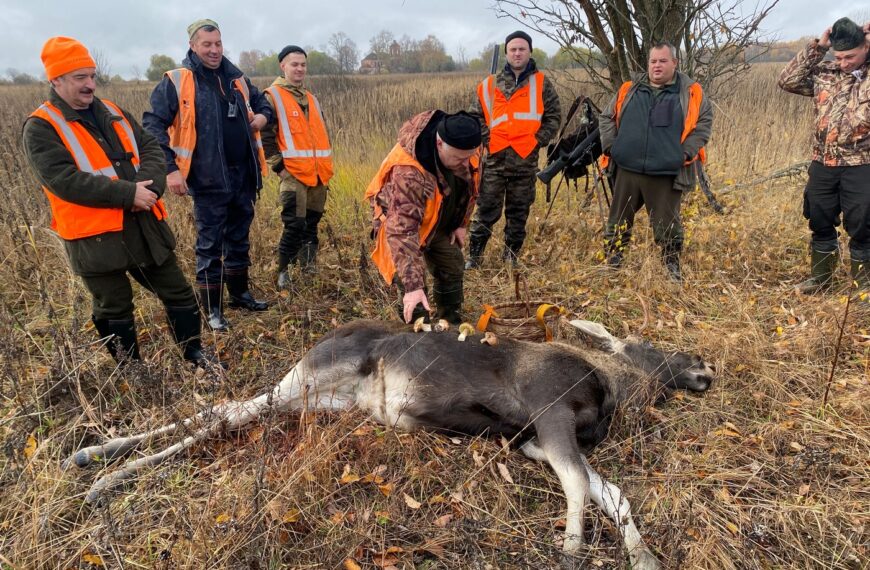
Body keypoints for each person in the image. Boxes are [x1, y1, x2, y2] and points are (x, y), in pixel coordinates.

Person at [23, 37, 215, 367]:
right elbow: (62, 180)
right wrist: (128, 194)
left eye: (92, 76)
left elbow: (152, 147)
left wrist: (151, 188)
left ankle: (195, 354)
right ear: (56, 80)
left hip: (144, 225)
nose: (90, 85)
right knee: (114, 307)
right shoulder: (41, 127)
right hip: (94, 238)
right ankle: (132, 371)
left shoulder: (113, 110)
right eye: (79, 77)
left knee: (179, 292)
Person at [143, 19, 273, 331]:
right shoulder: (177, 81)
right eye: (207, 45)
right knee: (210, 245)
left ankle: (240, 295)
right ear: (193, 46)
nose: (214, 50)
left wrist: (262, 118)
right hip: (207, 178)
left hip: (243, 174)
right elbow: (152, 126)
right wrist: (171, 169)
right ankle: (212, 311)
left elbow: (261, 101)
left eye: (217, 44)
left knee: (239, 239)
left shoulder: (236, 77)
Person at [599, 41, 713, 282]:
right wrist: (612, 147)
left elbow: (702, 126)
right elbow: (606, 117)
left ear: (674, 63)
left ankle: (671, 264)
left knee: (667, 223)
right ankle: (614, 261)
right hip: (627, 169)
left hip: (665, 171)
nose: (657, 66)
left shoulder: (690, 91)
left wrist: (683, 154)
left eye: (663, 61)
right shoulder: (629, 88)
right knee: (618, 219)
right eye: (653, 61)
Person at [779, 17, 870, 294]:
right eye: (839, 56)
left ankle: (864, 289)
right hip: (823, 163)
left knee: (863, 226)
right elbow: (787, 80)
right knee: (818, 218)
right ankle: (822, 280)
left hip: (861, 164)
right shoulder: (826, 73)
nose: (844, 63)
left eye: (851, 56)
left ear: (866, 46)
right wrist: (818, 47)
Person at [365, 111, 481, 324]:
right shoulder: (409, 172)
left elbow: (470, 189)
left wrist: (461, 224)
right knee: (416, 294)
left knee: (453, 264)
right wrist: (413, 287)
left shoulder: (467, 147)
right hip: (400, 228)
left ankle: (450, 324)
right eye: (458, 158)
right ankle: (416, 338)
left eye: (469, 157)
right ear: (439, 144)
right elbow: (402, 231)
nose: (465, 164)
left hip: (435, 222)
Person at [466, 30, 561, 268]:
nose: (517, 53)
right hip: (495, 161)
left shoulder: (541, 83)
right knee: (486, 210)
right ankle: (474, 257)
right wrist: (487, 139)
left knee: (518, 213)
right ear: (507, 53)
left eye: (522, 49)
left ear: (530, 52)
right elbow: (474, 117)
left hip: (525, 162)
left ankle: (511, 257)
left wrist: (538, 140)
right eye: (513, 49)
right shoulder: (489, 84)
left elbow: (554, 116)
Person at [261, 45, 333, 290]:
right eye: (294, 64)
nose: (300, 68)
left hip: (317, 174)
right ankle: (284, 272)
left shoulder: (311, 98)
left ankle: (308, 267)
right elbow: (265, 136)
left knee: (312, 222)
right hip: (292, 174)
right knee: (294, 224)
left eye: (303, 64)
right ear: (283, 66)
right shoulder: (271, 96)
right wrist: (279, 168)